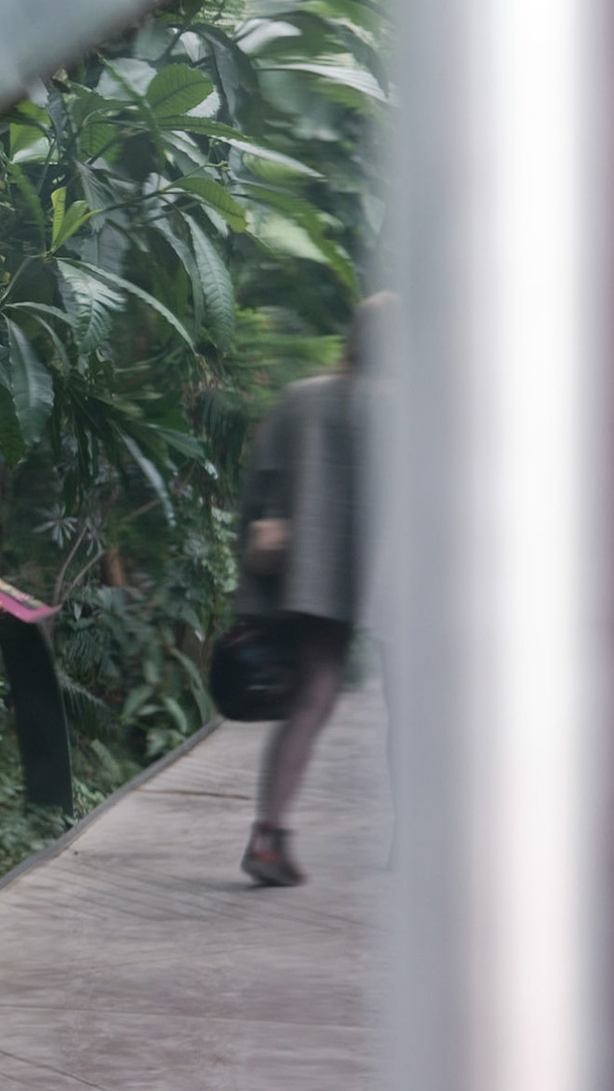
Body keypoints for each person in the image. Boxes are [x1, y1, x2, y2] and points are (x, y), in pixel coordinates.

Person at [234, 293, 392, 887]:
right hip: (395, 571)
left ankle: (268, 834)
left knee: (311, 696)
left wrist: (257, 589)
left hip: (316, 570)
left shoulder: (301, 399)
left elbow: (259, 494)